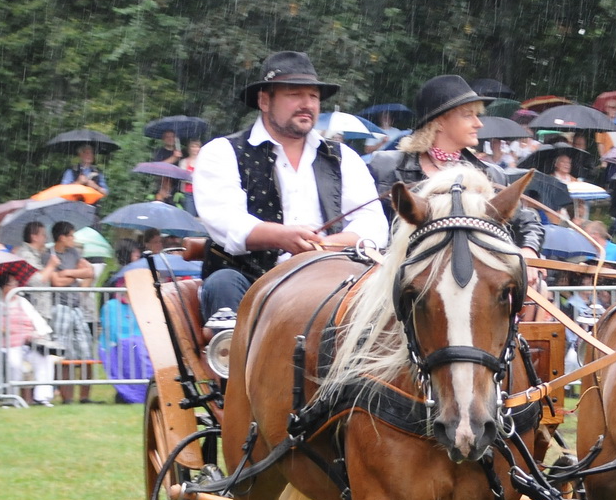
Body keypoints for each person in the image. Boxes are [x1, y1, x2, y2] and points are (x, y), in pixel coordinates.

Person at [192, 51, 389, 327]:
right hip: (252, 282)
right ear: (264, 100)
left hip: (332, 282)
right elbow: (225, 222)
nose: (307, 104)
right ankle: (229, 352)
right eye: (295, 95)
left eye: (314, 97)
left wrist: (325, 246)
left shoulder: (344, 157)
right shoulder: (222, 152)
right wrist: (282, 236)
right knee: (223, 282)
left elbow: (373, 225)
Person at [370, 74, 544, 261]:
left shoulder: (491, 174)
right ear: (439, 122)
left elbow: (527, 223)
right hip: (398, 272)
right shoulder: (386, 166)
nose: (479, 124)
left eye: (477, 115)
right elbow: (367, 223)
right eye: (468, 115)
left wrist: (529, 250)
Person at [45, 221, 97, 403]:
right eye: (71, 235)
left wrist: (67, 272)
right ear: (62, 237)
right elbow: (56, 282)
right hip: (59, 306)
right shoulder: (48, 255)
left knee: (86, 350)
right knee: (63, 353)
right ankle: (67, 397)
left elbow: (89, 272)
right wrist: (76, 274)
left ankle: (85, 397)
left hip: (76, 307)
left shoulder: (74, 253)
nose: (73, 239)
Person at [0, 273, 57, 406]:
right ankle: (11, 397)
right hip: (9, 345)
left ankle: (42, 397)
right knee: (14, 364)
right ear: (3, 287)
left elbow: (37, 319)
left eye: (16, 284)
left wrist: (39, 333)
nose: (15, 287)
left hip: (28, 344)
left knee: (45, 359)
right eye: (11, 284)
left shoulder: (22, 301)